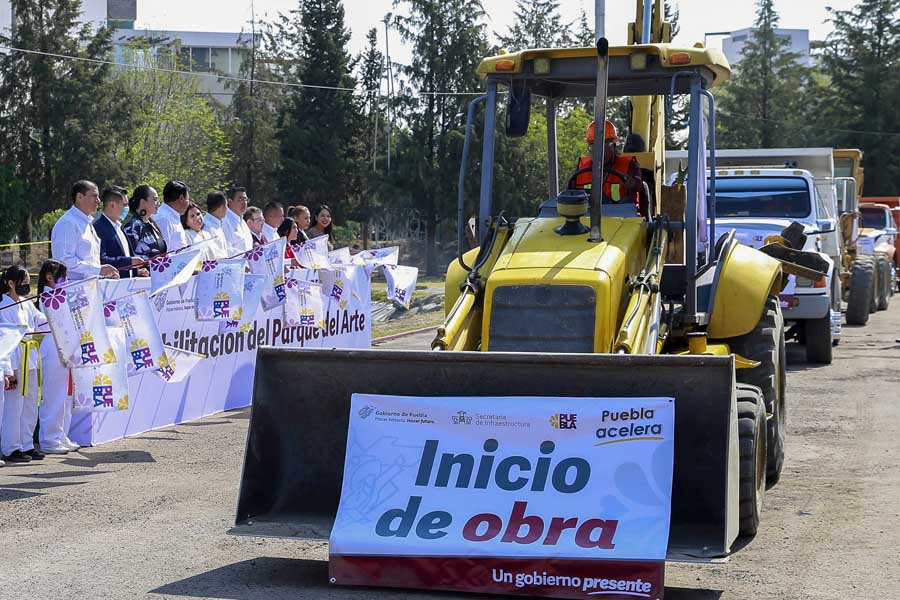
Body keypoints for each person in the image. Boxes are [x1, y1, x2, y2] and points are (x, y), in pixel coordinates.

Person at [0, 266, 46, 463]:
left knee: (30, 403)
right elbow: (4, 337)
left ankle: (27, 443)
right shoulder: (3, 304)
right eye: (23, 282)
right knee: (14, 405)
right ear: (11, 283)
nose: (27, 286)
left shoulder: (26, 304)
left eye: (28, 282)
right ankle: (11, 447)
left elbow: (40, 319)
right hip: (14, 355)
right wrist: (8, 370)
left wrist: (55, 311)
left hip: (30, 355)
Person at [34, 260, 78, 455]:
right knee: (54, 395)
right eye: (62, 277)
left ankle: (61, 435)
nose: (66, 281)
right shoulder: (47, 296)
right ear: (49, 277)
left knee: (67, 395)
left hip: (66, 344)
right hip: (53, 346)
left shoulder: (60, 294)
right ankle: (49, 439)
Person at [571, 120, 645, 218]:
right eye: (592, 144)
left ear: (613, 146)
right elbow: (569, 196)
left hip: (623, 221)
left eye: (604, 145)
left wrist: (632, 183)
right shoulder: (581, 169)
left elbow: (638, 184)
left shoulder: (629, 165)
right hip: (586, 221)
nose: (598, 151)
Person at [50, 180, 120, 280]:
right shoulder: (68, 223)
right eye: (94, 196)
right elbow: (64, 261)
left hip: (91, 288)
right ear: (79, 197)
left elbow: (91, 260)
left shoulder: (87, 223)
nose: (98, 200)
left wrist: (104, 274)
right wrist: (98, 270)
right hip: (73, 290)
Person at [93, 186, 148, 278]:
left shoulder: (119, 227)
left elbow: (125, 254)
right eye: (125, 205)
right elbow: (101, 260)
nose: (127, 208)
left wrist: (136, 271)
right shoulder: (99, 227)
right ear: (112, 205)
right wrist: (129, 261)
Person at [122, 185, 168, 262]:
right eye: (155, 199)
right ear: (143, 202)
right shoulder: (133, 226)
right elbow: (127, 256)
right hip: (142, 273)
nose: (158, 203)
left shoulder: (152, 224)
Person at [154, 180, 191, 252]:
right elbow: (164, 252)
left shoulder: (173, 216)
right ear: (181, 198)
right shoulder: (163, 219)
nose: (188, 203)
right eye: (188, 199)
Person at [223, 187, 254, 255]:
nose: (244, 203)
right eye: (241, 199)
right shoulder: (224, 221)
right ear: (230, 201)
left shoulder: (243, 222)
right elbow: (227, 249)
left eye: (246, 199)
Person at [202, 191, 231, 258]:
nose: (227, 209)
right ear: (221, 207)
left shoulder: (217, 223)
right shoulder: (206, 226)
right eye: (226, 205)